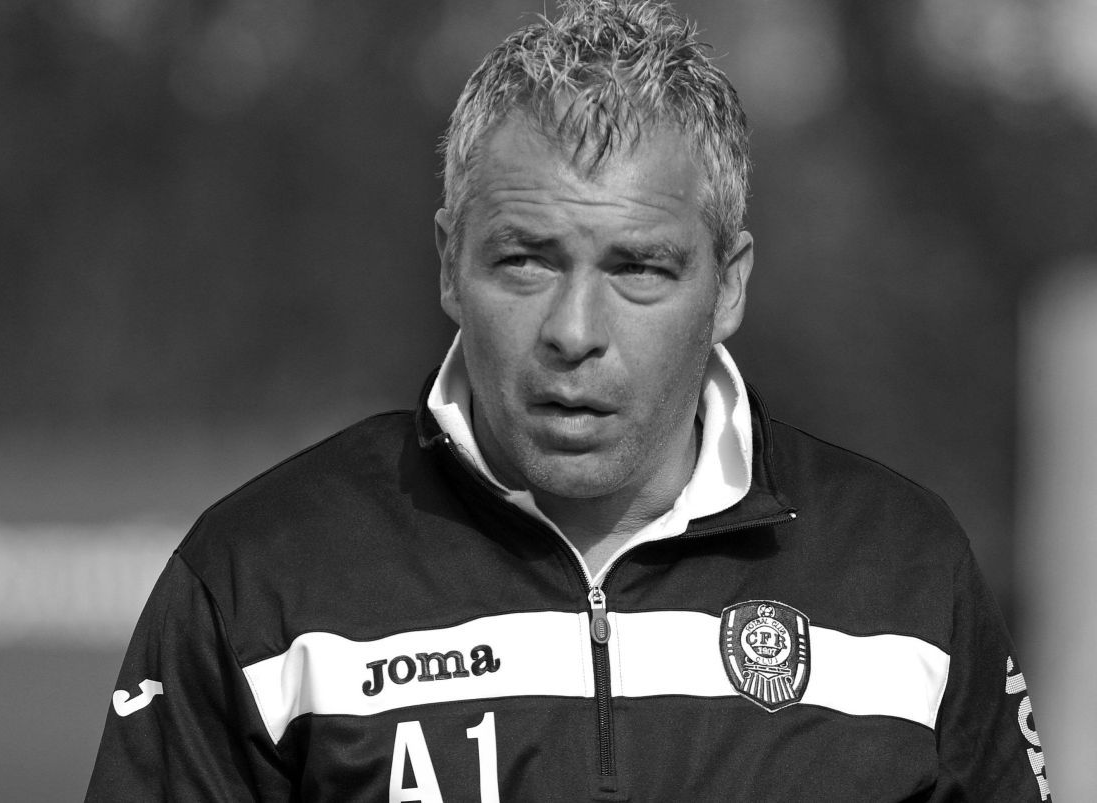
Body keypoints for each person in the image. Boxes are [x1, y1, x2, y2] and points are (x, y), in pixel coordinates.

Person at [87, 1, 1050, 800]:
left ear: (728, 287)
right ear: (450, 265)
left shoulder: (903, 575)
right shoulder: (261, 580)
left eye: (638, 269)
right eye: (526, 260)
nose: (574, 329)